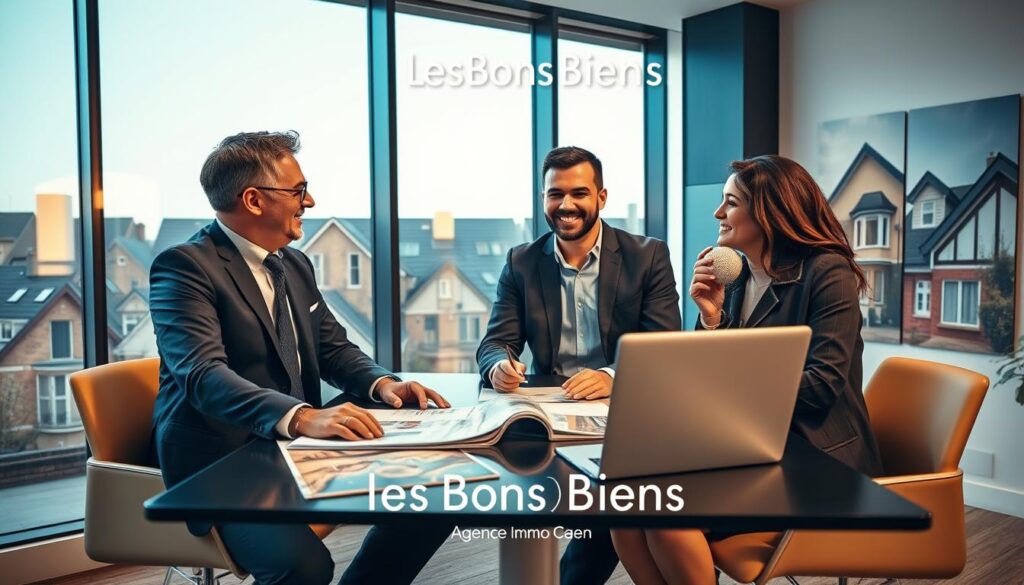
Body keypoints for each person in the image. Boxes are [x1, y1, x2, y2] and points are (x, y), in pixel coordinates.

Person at [150, 130, 453, 585]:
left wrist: (384, 384)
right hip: (223, 462)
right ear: (254, 200)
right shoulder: (184, 267)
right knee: (304, 567)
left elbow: (333, 348)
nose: (309, 201)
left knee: (433, 499)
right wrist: (304, 416)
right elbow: (202, 375)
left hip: (296, 448)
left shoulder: (292, 263)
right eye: (298, 190)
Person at [610, 155, 884, 585]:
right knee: (625, 508)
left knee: (665, 515)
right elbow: (707, 376)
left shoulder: (827, 272)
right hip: (751, 449)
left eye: (731, 202)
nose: (718, 213)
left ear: (771, 212)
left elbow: (821, 387)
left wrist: (724, 388)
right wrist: (711, 319)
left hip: (818, 460)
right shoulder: (738, 276)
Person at [476, 146, 682, 584]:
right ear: (543, 198)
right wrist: (498, 365)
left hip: (627, 417)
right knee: (521, 503)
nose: (566, 205)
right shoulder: (521, 261)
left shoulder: (647, 256)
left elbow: (663, 347)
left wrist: (612, 377)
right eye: (555, 194)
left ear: (601, 197)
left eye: (579, 193)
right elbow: (495, 342)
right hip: (550, 418)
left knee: (607, 511)